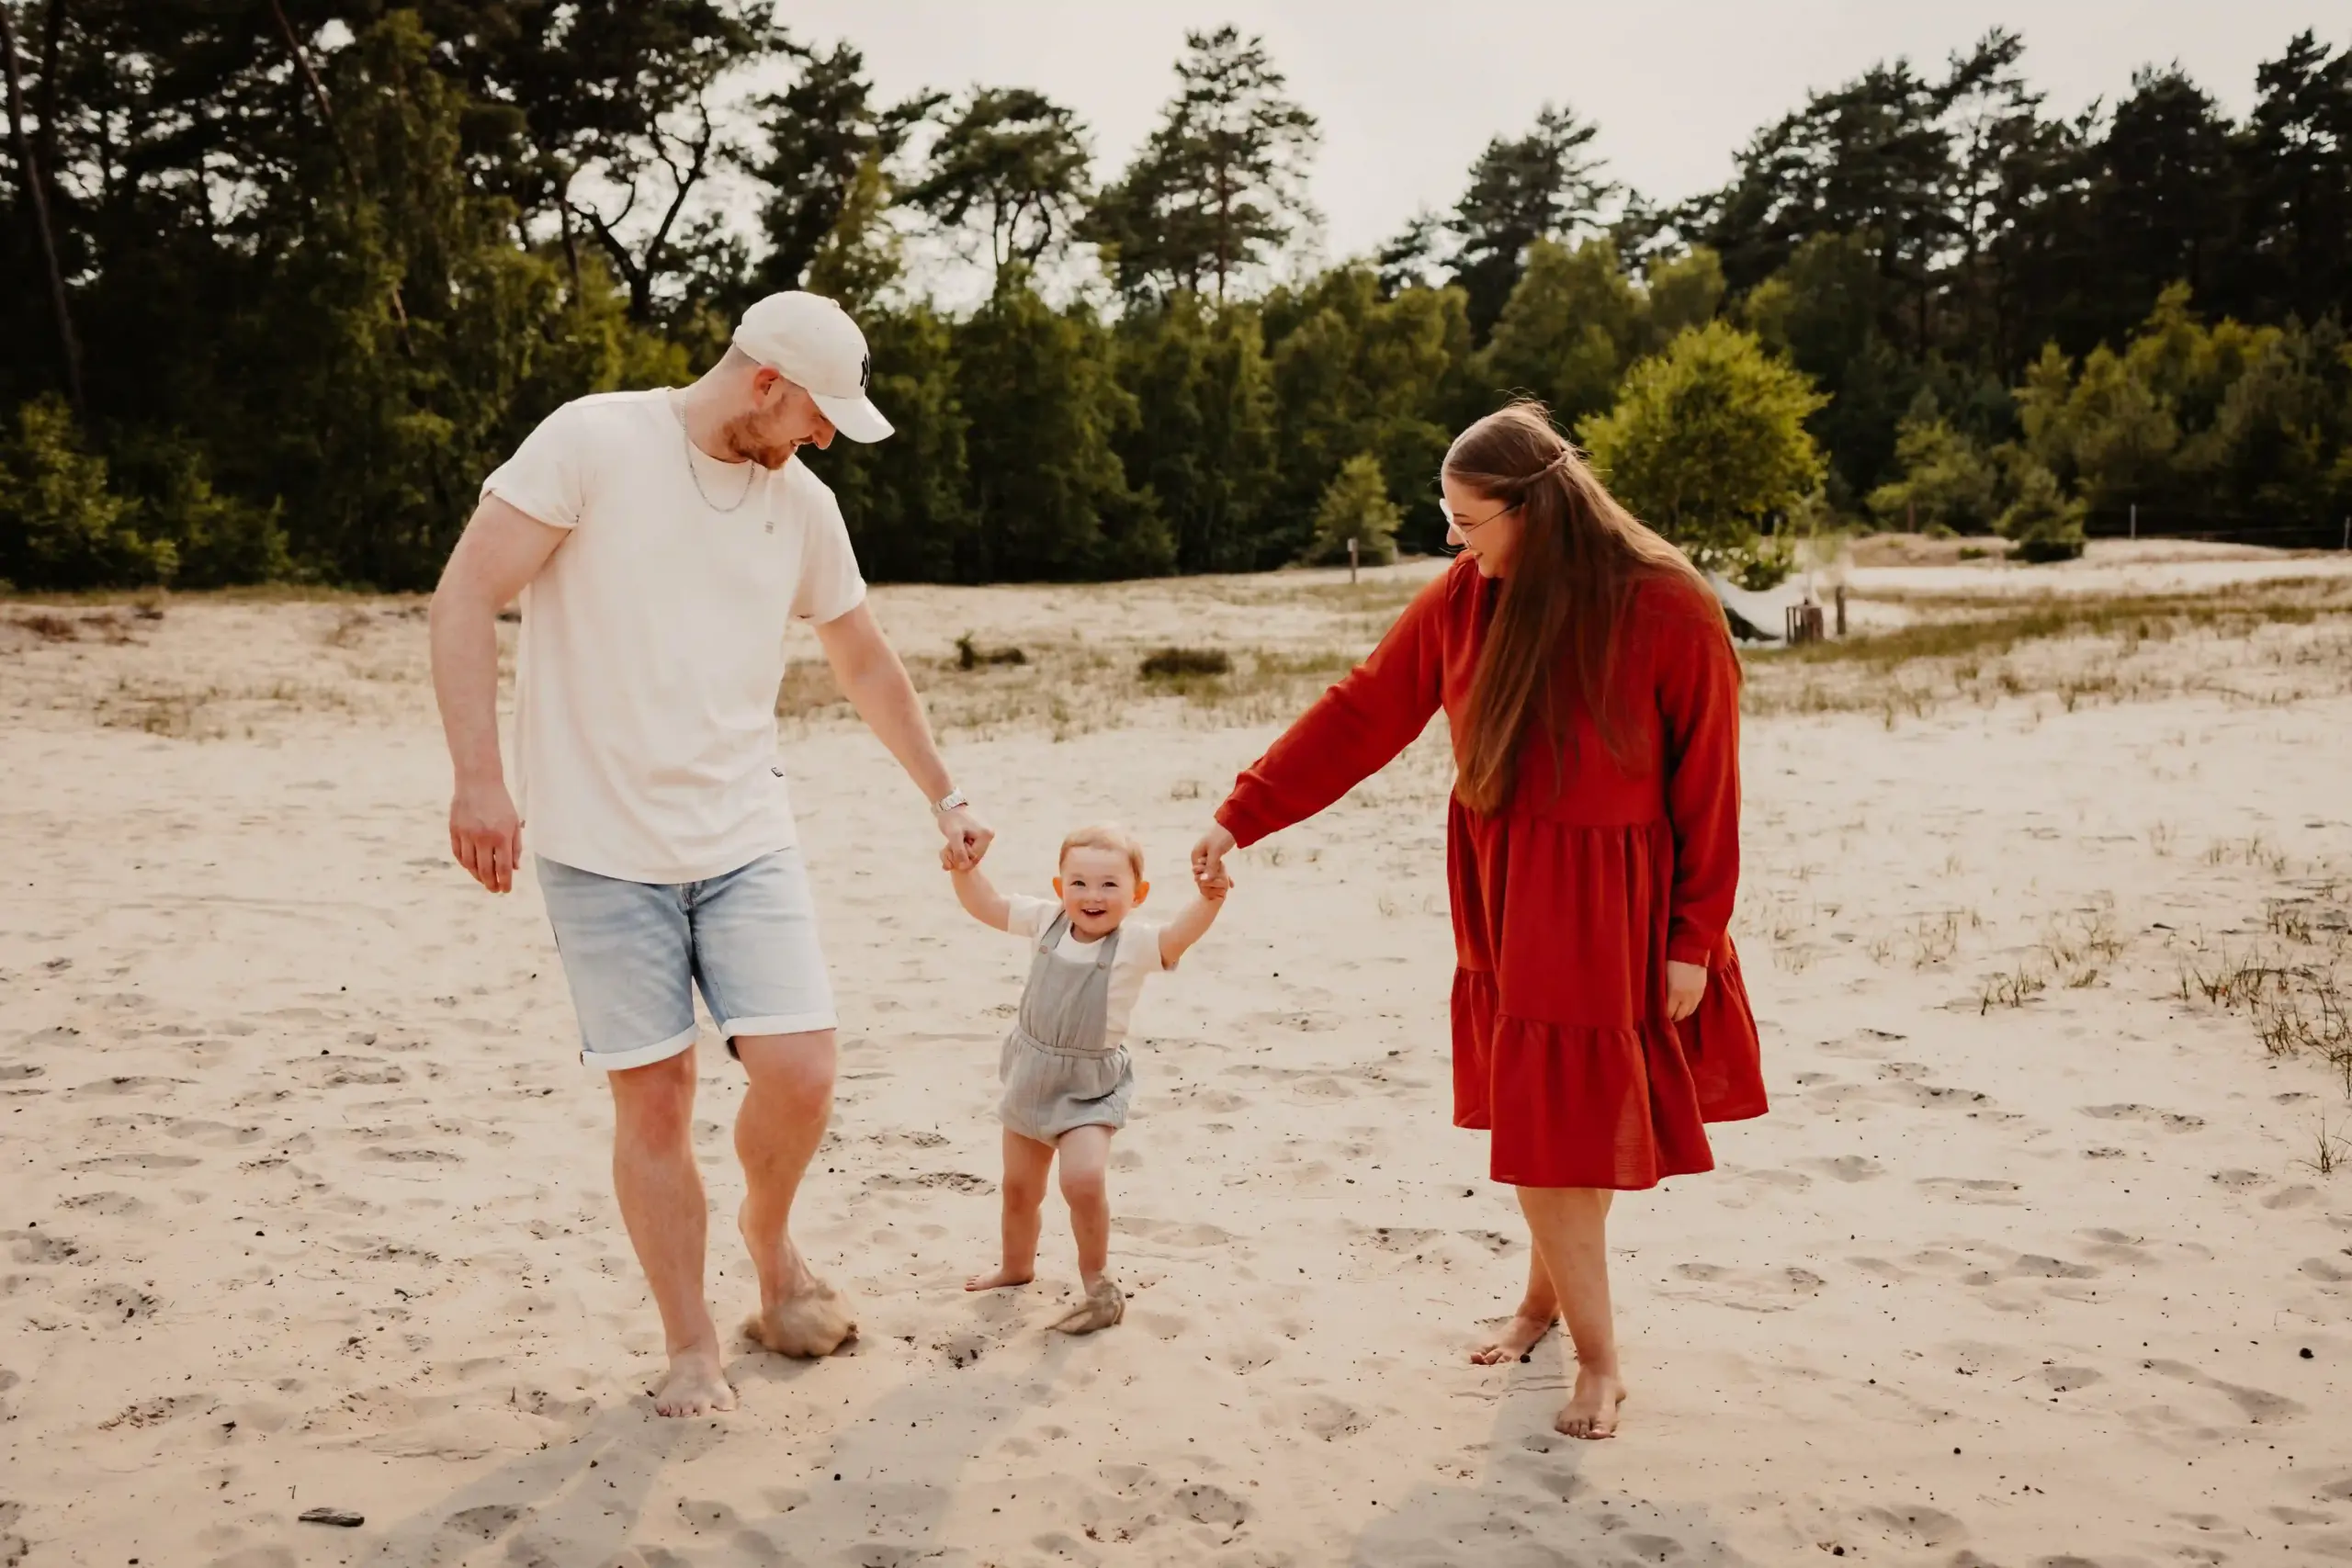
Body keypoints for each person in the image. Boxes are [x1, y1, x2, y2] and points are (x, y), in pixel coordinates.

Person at [427, 291, 993, 1418]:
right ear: (766, 383)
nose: (825, 438)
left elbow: (865, 661)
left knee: (803, 1072)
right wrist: (480, 780)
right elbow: (464, 596)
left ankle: (768, 1241)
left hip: (744, 835)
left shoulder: (804, 507)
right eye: (819, 415)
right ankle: (691, 1348)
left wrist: (945, 790)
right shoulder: (591, 441)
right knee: (658, 1100)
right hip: (599, 847)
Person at [1190, 401, 1765, 1440]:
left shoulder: (1666, 604)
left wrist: (1693, 938)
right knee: (1553, 1127)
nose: (1453, 538)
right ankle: (1547, 1309)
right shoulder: (1466, 596)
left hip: (1616, 907)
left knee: (1561, 1137)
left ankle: (1598, 1362)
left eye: (1468, 519)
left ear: (1534, 507)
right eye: (1447, 519)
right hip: (1504, 899)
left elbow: (1708, 788)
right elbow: (1364, 710)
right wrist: (1244, 813)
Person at [944, 826, 1230, 1332]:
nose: (1092, 896)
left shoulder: (1137, 944)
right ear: (1060, 888)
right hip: (1031, 1075)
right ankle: (1016, 1266)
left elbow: (1180, 935)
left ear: (1137, 895)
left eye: (1109, 885)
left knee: (1082, 1179)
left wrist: (1209, 899)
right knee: (1018, 1188)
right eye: (1078, 883)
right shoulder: (1045, 920)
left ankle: (1097, 1280)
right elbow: (985, 905)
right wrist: (965, 872)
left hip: (1089, 1086)